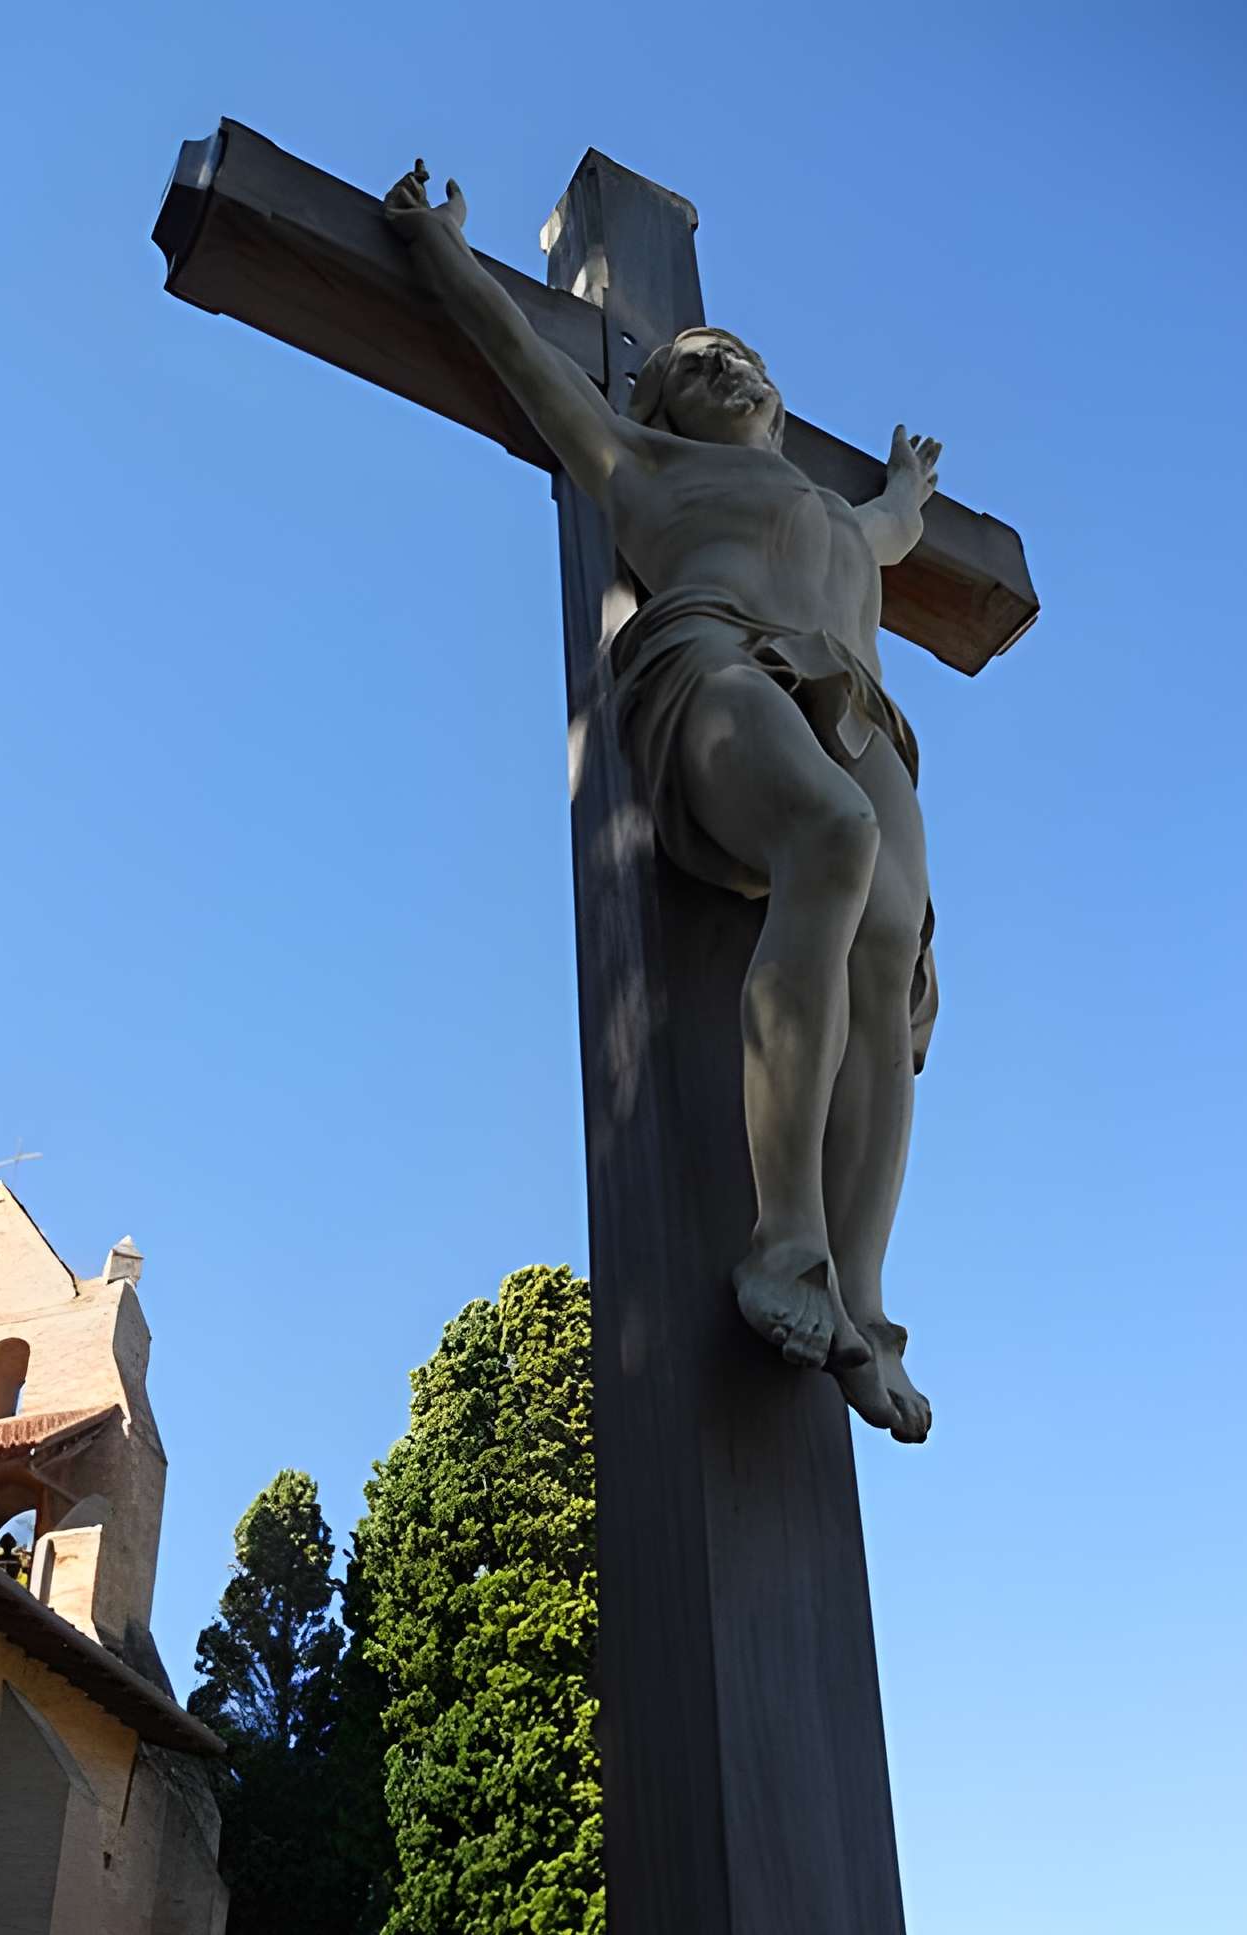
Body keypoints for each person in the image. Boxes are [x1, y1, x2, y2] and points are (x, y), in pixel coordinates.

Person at [386, 163, 941, 1441]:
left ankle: (860, 1294)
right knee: (833, 836)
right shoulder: (640, 465)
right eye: (697, 362)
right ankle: (785, 1238)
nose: (726, 367)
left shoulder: (841, 519)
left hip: (857, 704)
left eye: (740, 357)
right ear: (658, 399)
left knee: (888, 952)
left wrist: (907, 484)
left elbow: (903, 522)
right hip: (715, 658)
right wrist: (438, 249)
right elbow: (523, 354)